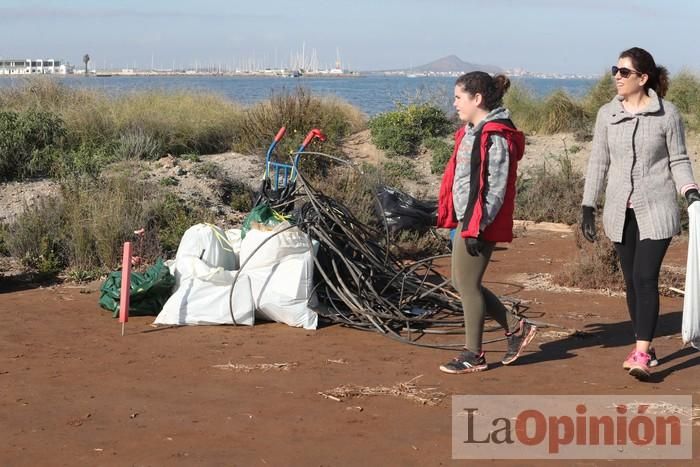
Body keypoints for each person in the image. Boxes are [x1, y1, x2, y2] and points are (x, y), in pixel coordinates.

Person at [581, 47, 700, 380]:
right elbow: (598, 161)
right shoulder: (607, 114)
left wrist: (689, 189)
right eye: (615, 70)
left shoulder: (668, 114)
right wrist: (588, 204)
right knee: (631, 282)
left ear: (643, 78)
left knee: (646, 279)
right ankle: (644, 344)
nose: (617, 77)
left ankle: (642, 354)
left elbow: (678, 159)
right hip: (620, 210)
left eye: (624, 72)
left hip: (658, 208)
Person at [436, 71, 537, 374]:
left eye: (458, 97)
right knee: (463, 282)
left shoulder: (495, 135)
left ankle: (473, 354)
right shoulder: (472, 129)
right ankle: (515, 328)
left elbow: (495, 187)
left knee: (466, 284)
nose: (454, 103)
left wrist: (476, 227)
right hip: (467, 219)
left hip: (478, 222)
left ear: (477, 98)